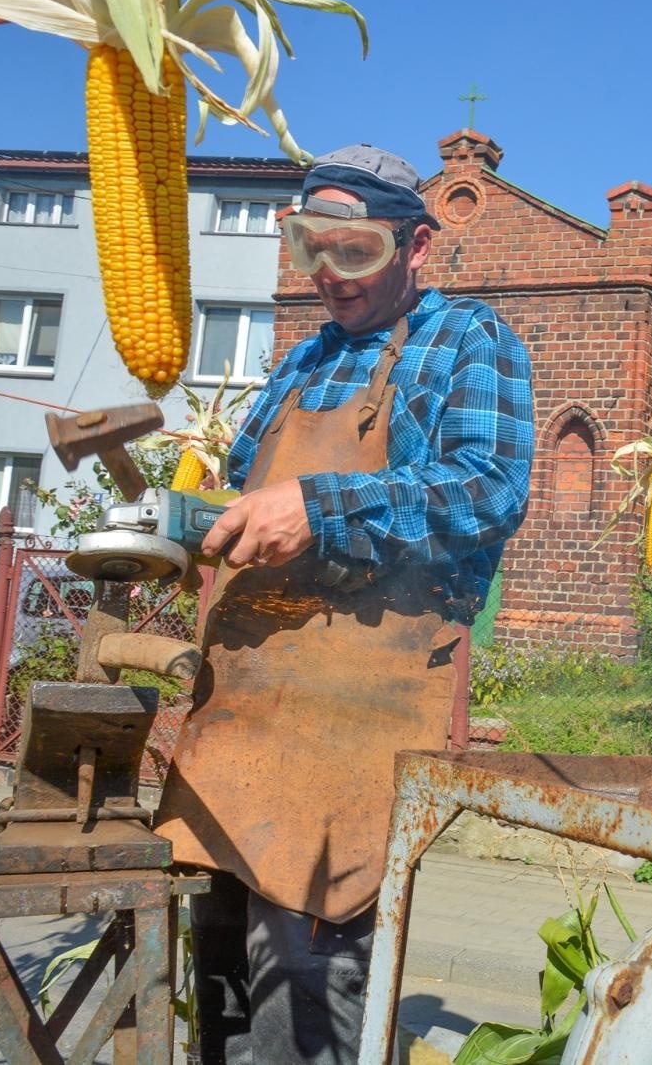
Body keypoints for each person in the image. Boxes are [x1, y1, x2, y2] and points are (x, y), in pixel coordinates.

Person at [154, 144, 535, 1064]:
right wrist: (174, 534)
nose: (331, 276)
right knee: (220, 1003)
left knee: (303, 1009)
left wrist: (321, 506)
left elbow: (489, 489)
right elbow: (251, 503)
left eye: (354, 251)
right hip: (238, 720)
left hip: (347, 721)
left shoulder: (467, 339)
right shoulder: (300, 362)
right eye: (310, 249)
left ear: (416, 247)